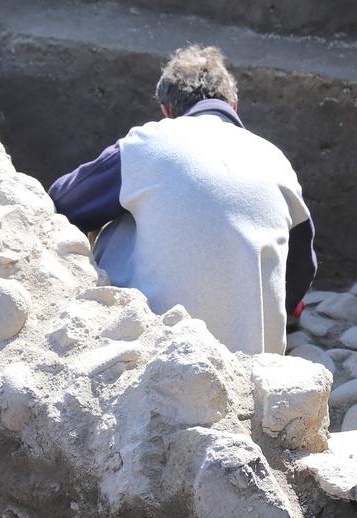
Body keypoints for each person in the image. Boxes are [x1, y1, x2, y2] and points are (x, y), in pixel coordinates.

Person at [48, 44, 317, 355]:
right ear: (234, 104)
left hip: (151, 355)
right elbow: (300, 271)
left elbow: (63, 201)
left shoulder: (149, 143)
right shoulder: (277, 161)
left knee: (126, 212)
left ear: (166, 110)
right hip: (252, 365)